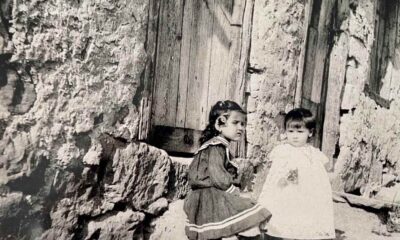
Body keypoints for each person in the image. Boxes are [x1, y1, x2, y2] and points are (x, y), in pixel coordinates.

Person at [184, 100, 272, 240]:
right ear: (220, 125)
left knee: (248, 212)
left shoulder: (220, 146)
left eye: (243, 124)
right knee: (249, 210)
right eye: (235, 123)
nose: (241, 128)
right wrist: (235, 192)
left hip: (211, 193)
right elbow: (218, 177)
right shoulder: (216, 147)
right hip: (208, 197)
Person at [258, 108, 335, 240]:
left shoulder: (313, 155)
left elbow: (319, 178)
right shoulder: (283, 151)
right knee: (282, 220)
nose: (295, 136)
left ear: (310, 133)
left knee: (303, 221)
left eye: (300, 132)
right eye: (291, 131)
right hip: (285, 191)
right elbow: (274, 173)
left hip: (305, 194)